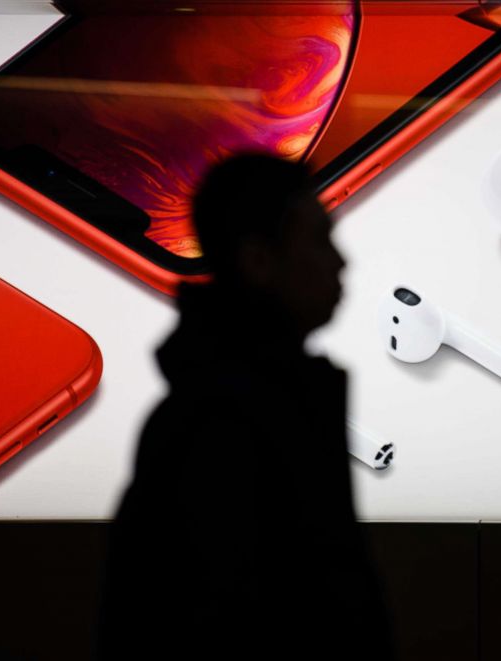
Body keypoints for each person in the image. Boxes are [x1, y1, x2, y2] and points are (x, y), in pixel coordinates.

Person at [98, 154, 394, 660]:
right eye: (320, 239)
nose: (341, 262)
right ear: (259, 260)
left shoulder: (231, 401)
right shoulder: (227, 421)